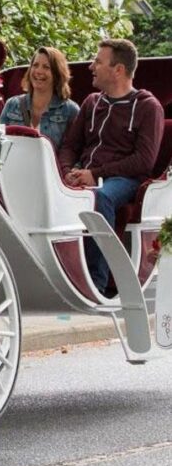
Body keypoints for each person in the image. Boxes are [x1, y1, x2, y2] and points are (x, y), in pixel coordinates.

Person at [58, 39, 164, 295]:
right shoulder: (92, 103)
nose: (91, 66)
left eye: (98, 62)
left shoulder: (148, 107)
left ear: (118, 70)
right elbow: (70, 145)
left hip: (124, 180)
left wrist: (95, 174)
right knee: (57, 190)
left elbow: (144, 160)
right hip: (85, 173)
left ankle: (98, 282)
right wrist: (66, 171)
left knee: (100, 197)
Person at [0, 46, 79, 148]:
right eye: (35, 65)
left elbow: (73, 152)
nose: (39, 71)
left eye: (46, 67)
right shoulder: (12, 104)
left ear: (57, 74)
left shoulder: (70, 110)